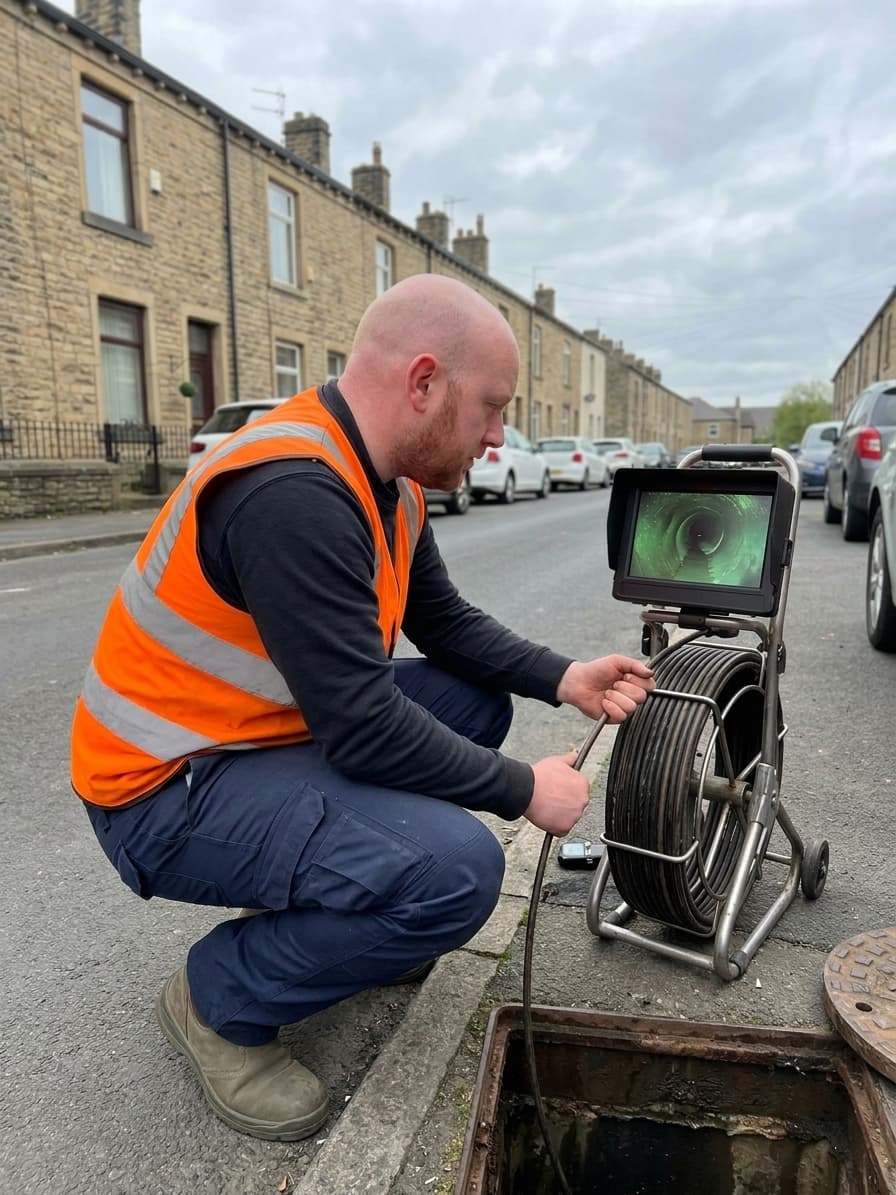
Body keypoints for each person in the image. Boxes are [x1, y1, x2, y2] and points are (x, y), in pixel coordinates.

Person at [71, 273, 654, 1142]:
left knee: (471, 701)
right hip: (162, 790)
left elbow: (444, 625)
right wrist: (520, 790)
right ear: (423, 382)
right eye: (490, 408)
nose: (499, 438)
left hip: (249, 741)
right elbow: (364, 725)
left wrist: (563, 674)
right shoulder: (293, 494)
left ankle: (353, 896)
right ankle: (217, 996)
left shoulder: (388, 479)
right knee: (459, 873)